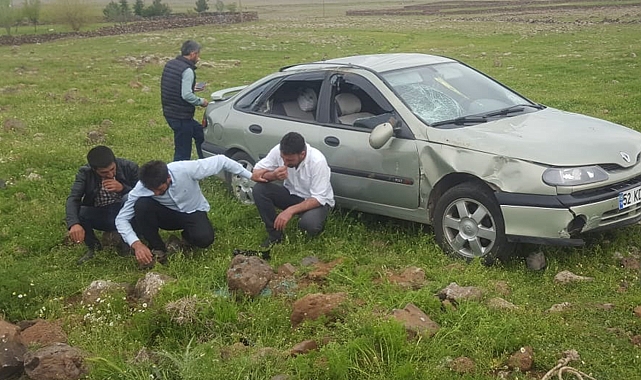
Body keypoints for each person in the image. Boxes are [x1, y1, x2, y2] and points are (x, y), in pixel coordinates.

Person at [115, 155, 254, 268]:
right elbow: (121, 219)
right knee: (141, 205)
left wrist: (251, 175)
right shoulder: (141, 188)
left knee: (205, 239)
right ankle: (158, 248)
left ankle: (186, 239)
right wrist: (136, 244)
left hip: (193, 211)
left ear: (168, 178)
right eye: (152, 190)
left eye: (160, 189)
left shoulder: (185, 169)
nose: (156, 193)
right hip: (166, 215)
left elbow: (221, 160)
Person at [250, 132, 334, 247]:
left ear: (302, 154)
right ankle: (275, 236)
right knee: (259, 189)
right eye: (282, 158)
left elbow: (318, 198)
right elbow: (255, 174)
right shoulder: (279, 150)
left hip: (315, 202)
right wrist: (273, 176)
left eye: (289, 160)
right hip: (291, 194)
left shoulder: (317, 161)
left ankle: (311, 221)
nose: (284, 163)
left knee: (308, 225)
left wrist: (290, 211)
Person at [65, 146, 139, 265]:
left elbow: (143, 195)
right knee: (80, 212)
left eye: (112, 169)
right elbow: (73, 198)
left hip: (126, 213)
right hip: (102, 213)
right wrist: (74, 224)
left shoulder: (129, 167)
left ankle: (129, 245)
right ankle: (94, 248)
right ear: (94, 170)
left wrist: (122, 188)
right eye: (104, 172)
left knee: (128, 198)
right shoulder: (85, 173)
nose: (110, 174)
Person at [161, 40, 209, 162]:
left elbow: (173, 86)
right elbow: (186, 95)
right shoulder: (187, 70)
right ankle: (177, 176)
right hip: (180, 116)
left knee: (200, 134)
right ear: (192, 54)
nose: (198, 58)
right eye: (198, 54)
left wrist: (193, 87)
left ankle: (204, 162)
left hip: (171, 112)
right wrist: (201, 101)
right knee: (183, 152)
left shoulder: (171, 64)